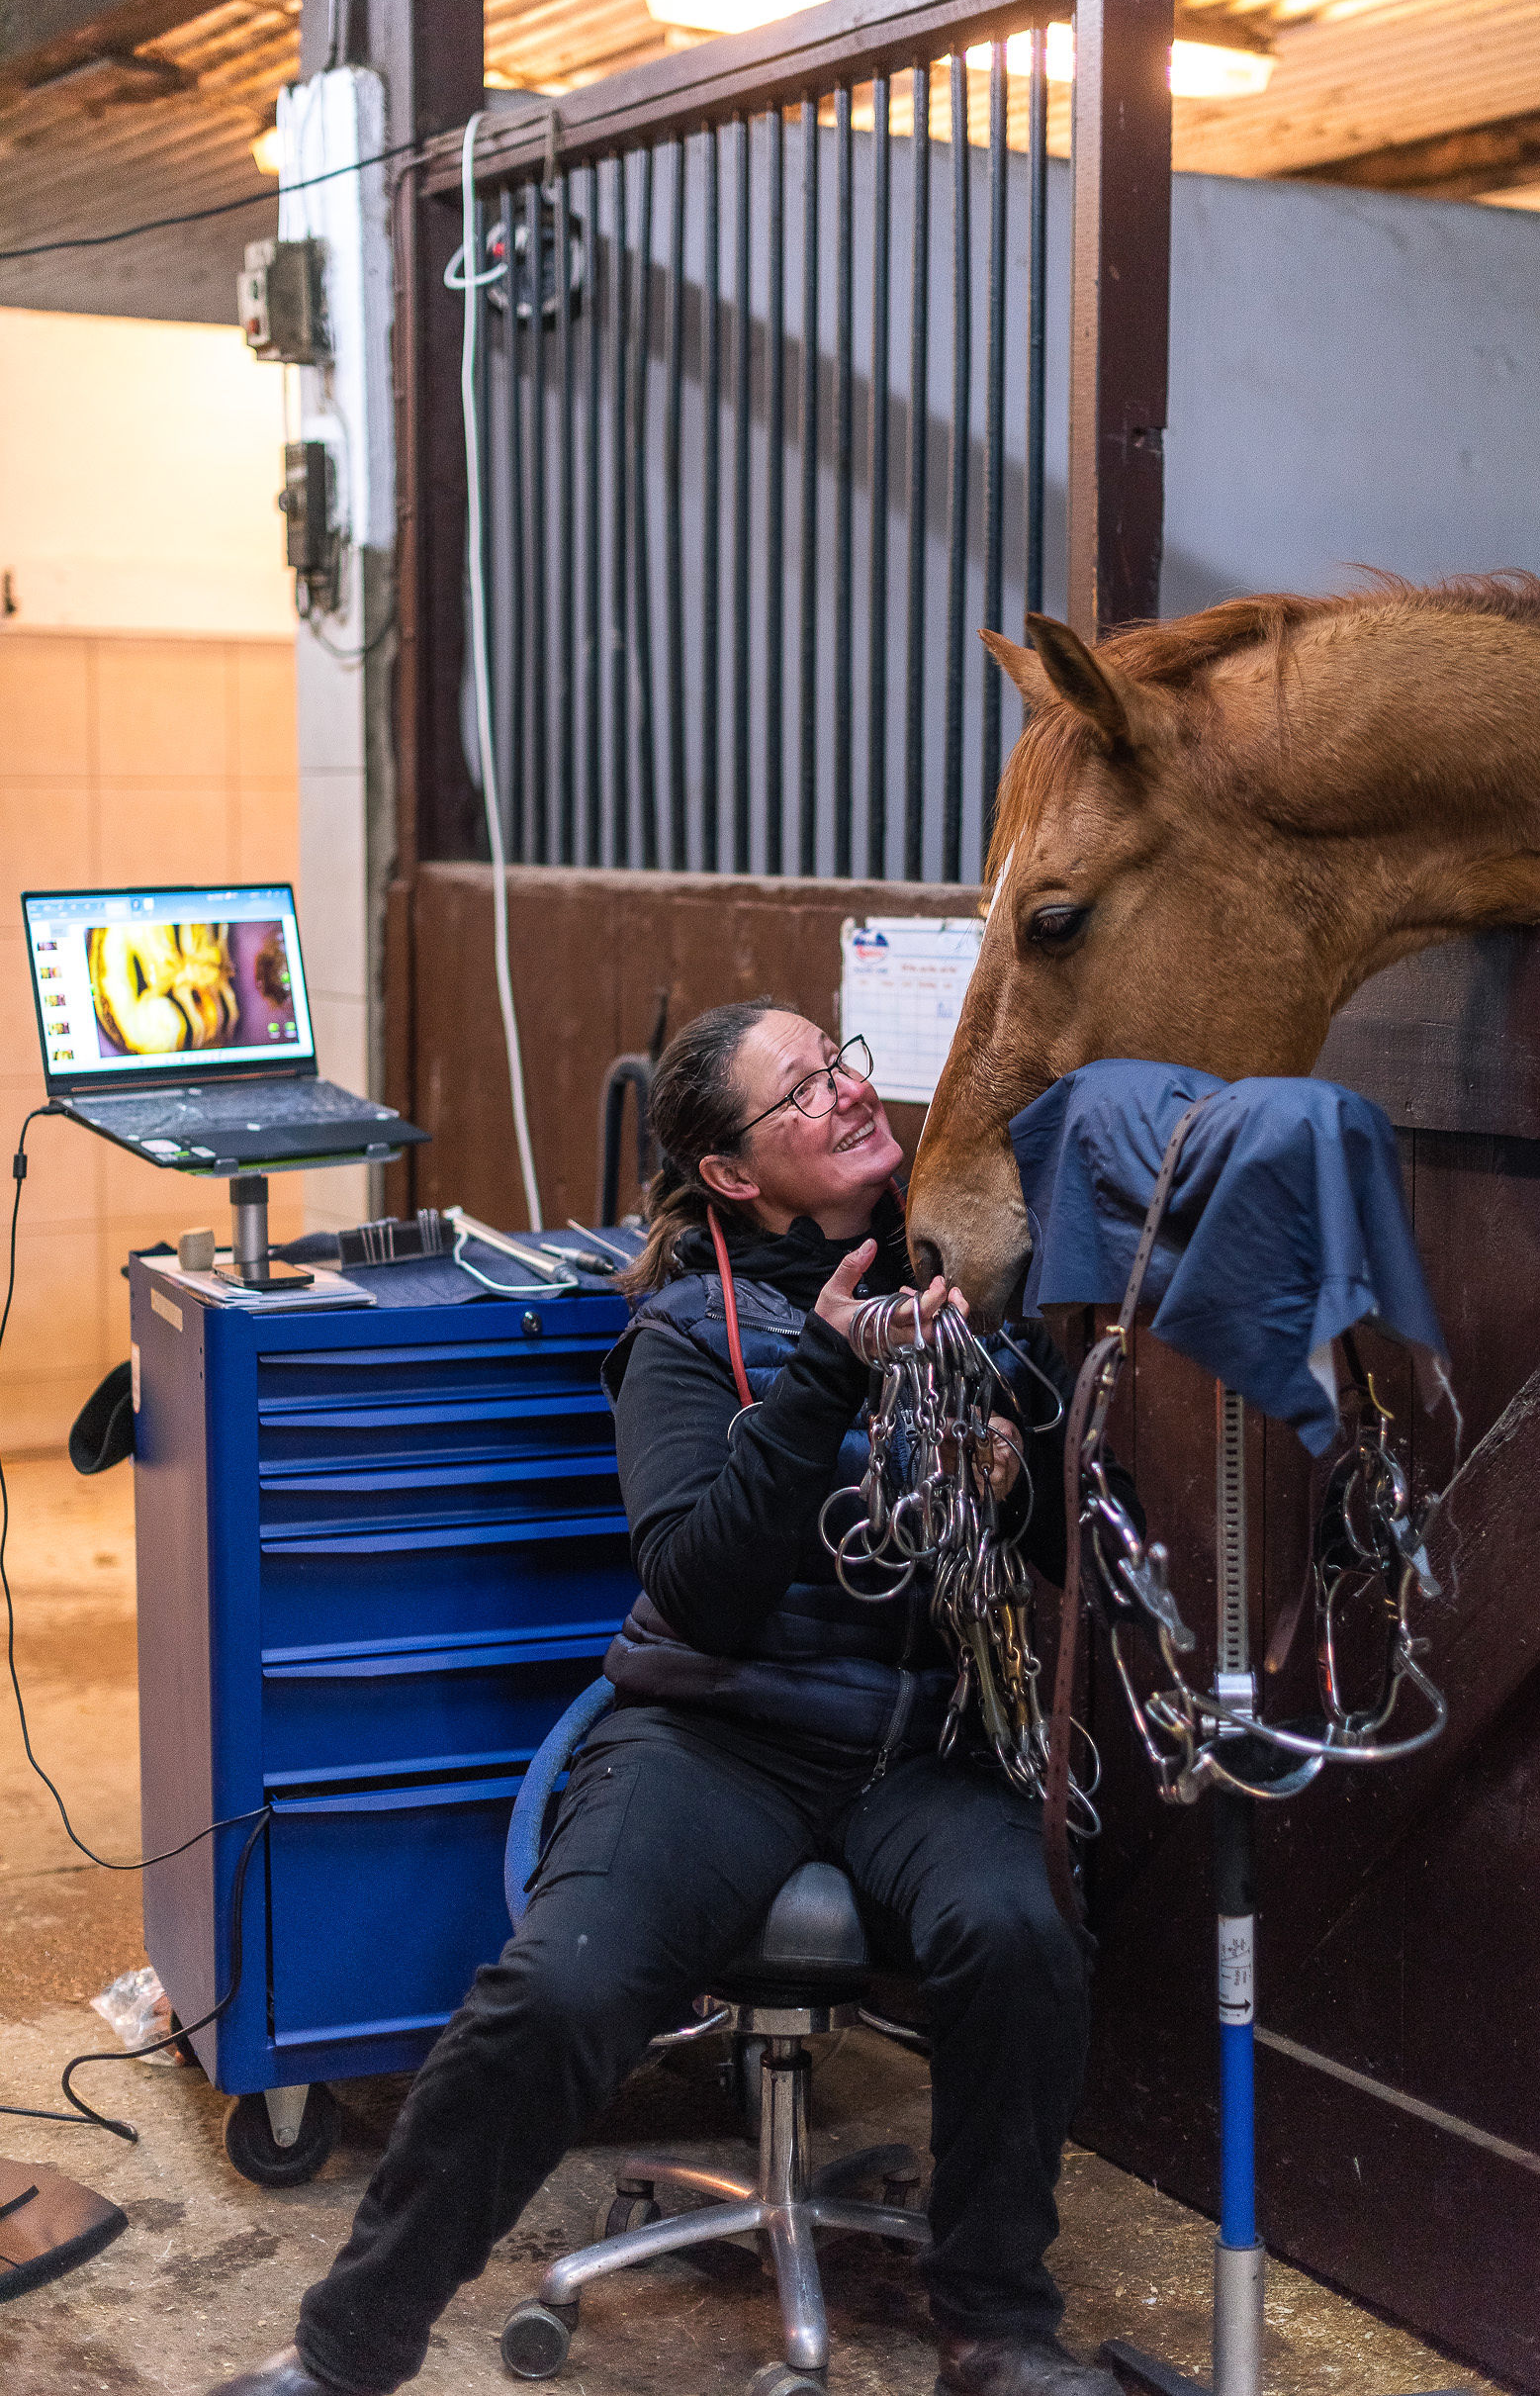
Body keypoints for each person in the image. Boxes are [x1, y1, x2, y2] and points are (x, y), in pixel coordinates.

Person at [215, 1001, 1137, 2396]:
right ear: (731, 1174)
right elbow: (701, 1584)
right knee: (555, 1994)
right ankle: (345, 2354)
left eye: (842, 1065)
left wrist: (1017, 1485)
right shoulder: (683, 1335)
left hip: (914, 1747)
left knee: (1021, 1938)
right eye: (801, 1090)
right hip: (718, 1737)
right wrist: (825, 1369)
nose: (846, 1093)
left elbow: (1077, 1556)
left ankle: (998, 2332)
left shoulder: (969, 1291)